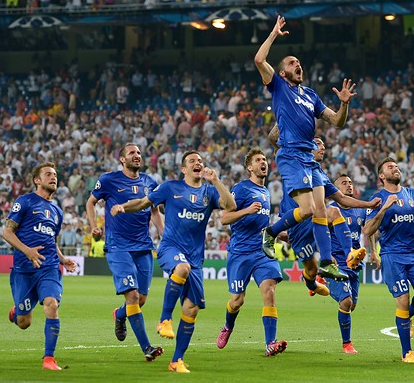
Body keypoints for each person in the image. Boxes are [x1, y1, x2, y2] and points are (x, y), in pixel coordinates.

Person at [111, 150, 235, 372]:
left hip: (196, 258)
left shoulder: (209, 191)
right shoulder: (170, 187)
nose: (198, 163)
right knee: (181, 267)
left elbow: (230, 206)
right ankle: (164, 319)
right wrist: (123, 207)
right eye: (192, 161)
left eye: (200, 160)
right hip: (171, 248)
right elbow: (143, 203)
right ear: (183, 169)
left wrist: (216, 181)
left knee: (191, 310)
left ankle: (176, 360)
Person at [254, 15, 357, 281]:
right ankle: (272, 232)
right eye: (291, 63)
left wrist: (344, 103)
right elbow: (258, 60)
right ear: (283, 72)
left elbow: (336, 121)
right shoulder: (277, 86)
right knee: (309, 209)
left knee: (321, 209)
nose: (297, 65)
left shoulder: (310, 94)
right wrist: (274, 34)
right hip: (290, 154)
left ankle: (326, 262)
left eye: (298, 62)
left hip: (309, 158)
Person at [86, 144, 165, 362]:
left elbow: (154, 211)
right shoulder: (109, 179)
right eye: (132, 153)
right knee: (131, 296)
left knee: (140, 299)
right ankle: (147, 348)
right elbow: (91, 202)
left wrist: (163, 234)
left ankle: (119, 315)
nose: (137, 156)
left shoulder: (149, 182)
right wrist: (94, 226)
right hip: (118, 246)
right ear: (122, 159)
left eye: (139, 153)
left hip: (143, 247)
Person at [276, 134, 380, 299]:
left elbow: (342, 198)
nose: (322, 147)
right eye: (318, 143)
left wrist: (368, 204)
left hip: (314, 221)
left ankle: (349, 253)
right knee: (311, 269)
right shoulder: (295, 163)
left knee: (332, 211)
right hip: (298, 223)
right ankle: (312, 283)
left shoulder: (320, 174)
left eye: (324, 145)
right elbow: (274, 139)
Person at [363, 157, 414, 364]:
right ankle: (407, 352)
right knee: (403, 300)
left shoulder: (413, 195)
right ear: (382, 176)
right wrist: (384, 208)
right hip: (392, 256)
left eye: (397, 166)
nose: (395, 169)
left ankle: (407, 316)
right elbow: (368, 230)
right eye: (390, 167)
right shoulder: (378, 198)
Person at [4, 162, 77, 370]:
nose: (53, 177)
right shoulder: (25, 201)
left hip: (49, 267)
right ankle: (16, 312)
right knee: (24, 322)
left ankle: (49, 359)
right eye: (48, 174)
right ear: (37, 180)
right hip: (24, 270)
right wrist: (27, 251)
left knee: (51, 304)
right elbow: (7, 232)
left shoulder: (57, 210)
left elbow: (52, 241)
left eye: (55, 174)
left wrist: (62, 259)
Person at [216, 148, 288, 357]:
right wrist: (247, 210)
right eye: (258, 160)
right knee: (237, 301)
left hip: (262, 251)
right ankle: (228, 325)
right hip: (240, 252)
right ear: (249, 167)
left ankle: (270, 343)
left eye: (264, 159)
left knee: (270, 291)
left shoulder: (266, 192)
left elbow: (261, 223)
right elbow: (224, 219)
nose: (263, 162)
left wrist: (277, 234)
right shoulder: (241, 189)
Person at [325, 173, 379, 354]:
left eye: (350, 182)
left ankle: (322, 281)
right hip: (337, 262)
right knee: (346, 302)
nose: (349, 185)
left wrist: (373, 252)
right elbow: (318, 232)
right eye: (344, 183)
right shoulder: (329, 210)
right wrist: (326, 255)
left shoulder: (359, 210)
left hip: (355, 263)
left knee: (352, 305)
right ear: (335, 189)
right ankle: (346, 344)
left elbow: (368, 231)